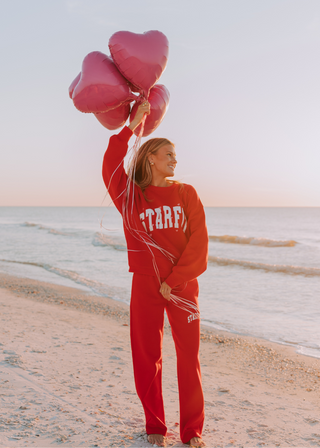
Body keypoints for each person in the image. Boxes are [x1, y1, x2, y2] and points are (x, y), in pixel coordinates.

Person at [102, 101, 208, 447]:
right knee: (148, 358)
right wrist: (132, 126)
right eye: (168, 154)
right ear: (150, 157)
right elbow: (109, 163)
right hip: (145, 285)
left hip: (182, 287)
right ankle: (155, 427)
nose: (174, 160)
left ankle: (192, 431)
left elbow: (199, 243)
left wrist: (174, 281)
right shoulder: (131, 196)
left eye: (176, 155)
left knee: (188, 359)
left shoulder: (186, 193)